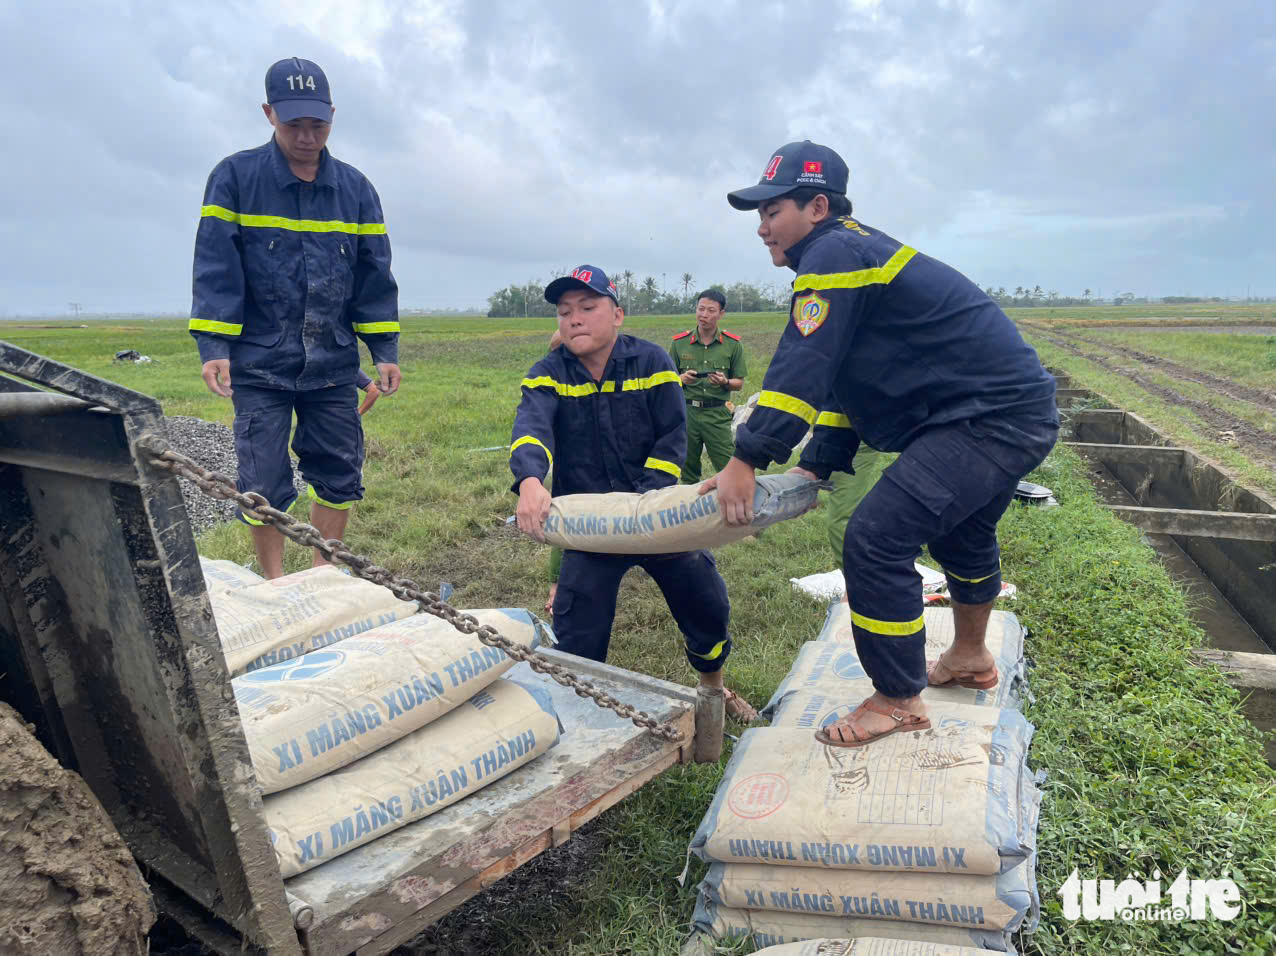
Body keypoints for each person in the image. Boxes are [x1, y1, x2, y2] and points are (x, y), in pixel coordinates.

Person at [707, 140, 1057, 746]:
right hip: (1003, 413)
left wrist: (747, 456)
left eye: (773, 212)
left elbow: (804, 362)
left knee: (875, 538)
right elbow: (846, 386)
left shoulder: (834, 251)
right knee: (961, 532)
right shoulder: (854, 251)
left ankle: (897, 700)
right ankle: (970, 658)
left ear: (817, 207)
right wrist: (817, 466)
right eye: (759, 216)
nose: (762, 228)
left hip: (988, 420)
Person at [511, 265, 757, 721]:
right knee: (578, 628)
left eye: (588, 308)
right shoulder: (548, 372)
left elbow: (672, 437)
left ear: (618, 315)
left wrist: (646, 503)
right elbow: (532, 428)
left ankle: (713, 688)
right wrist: (529, 481)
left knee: (705, 599)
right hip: (592, 526)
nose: (574, 319)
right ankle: (579, 715)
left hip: (656, 514)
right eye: (565, 312)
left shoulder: (652, 362)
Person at [188, 57, 401, 579]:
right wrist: (214, 346)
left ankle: (324, 575)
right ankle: (276, 583)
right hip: (260, 362)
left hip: (331, 363)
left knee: (338, 470)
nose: (307, 137)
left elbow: (374, 277)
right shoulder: (235, 178)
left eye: (318, 124)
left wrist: (384, 351)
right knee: (262, 477)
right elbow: (216, 267)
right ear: (268, 114)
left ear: (332, 115)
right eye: (293, 125)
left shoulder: (356, 190)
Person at [669, 290, 747, 484]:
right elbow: (667, 381)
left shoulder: (732, 345)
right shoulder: (679, 343)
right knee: (688, 470)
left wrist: (725, 382)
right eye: (700, 309)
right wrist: (681, 379)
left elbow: (739, 383)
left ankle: (734, 507)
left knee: (728, 467)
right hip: (688, 414)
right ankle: (691, 509)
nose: (703, 314)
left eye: (710, 310)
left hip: (717, 414)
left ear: (721, 314)